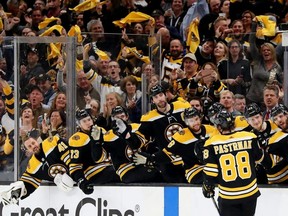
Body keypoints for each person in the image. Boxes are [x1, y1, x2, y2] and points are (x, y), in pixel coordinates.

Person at [202, 109, 271, 216]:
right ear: (233, 124)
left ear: (219, 127)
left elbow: (211, 173)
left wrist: (207, 187)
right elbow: (264, 160)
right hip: (250, 192)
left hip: (228, 195)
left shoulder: (211, 143)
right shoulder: (249, 137)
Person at [133, 107, 218, 184]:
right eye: (191, 121)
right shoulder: (181, 136)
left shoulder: (212, 130)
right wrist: (149, 159)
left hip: (211, 166)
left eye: (196, 119)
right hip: (194, 171)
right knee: (211, 177)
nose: (195, 123)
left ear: (200, 118)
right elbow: (166, 154)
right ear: (186, 122)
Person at [131, 84, 191, 182]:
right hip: (168, 162)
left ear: (165, 95)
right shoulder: (149, 118)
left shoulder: (182, 107)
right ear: (152, 101)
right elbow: (139, 141)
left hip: (188, 158)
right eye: (156, 97)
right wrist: (127, 135)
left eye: (161, 95)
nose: (159, 99)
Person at [0, 132, 74, 206]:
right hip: (68, 194)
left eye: (33, 143)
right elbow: (29, 182)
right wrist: (17, 192)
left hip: (80, 175)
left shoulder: (50, 142)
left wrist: (74, 173)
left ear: (37, 141)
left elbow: (71, 153)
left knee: (66, 180)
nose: (33, 146)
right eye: (29, 146)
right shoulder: (33, 165)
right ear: (28, 151)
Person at [101, 106, 160, 183]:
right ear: (112, 119)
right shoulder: (108, 136)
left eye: (122, 116)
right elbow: (101, 157)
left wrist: (148, 159)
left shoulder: (137, 127)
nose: (120, 120)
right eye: (117, 117)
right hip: (126, 169)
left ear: (127, 116)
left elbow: (149, 145)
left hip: (144, 164)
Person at [68, 109, 119, 194]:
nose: (88, 123)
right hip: (93, 172)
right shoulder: (77, 139)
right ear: (79, 124)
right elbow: (75, 167)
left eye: (89, 120)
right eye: (84, 121)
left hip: (108, 166)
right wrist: (81, 182)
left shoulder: (101, 130)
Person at [245, 103, 280, 184]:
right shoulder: (250, 137)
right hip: (265, 175)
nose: (256, 122)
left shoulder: (276, 124)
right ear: (247, 121)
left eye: (257, 117)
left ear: (262, 115)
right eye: (252, 119)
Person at [266, 104, 288, 184]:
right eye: (275, 119)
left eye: (281, 116)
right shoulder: (278, 139)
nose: (279, 120)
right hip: (278, 181)